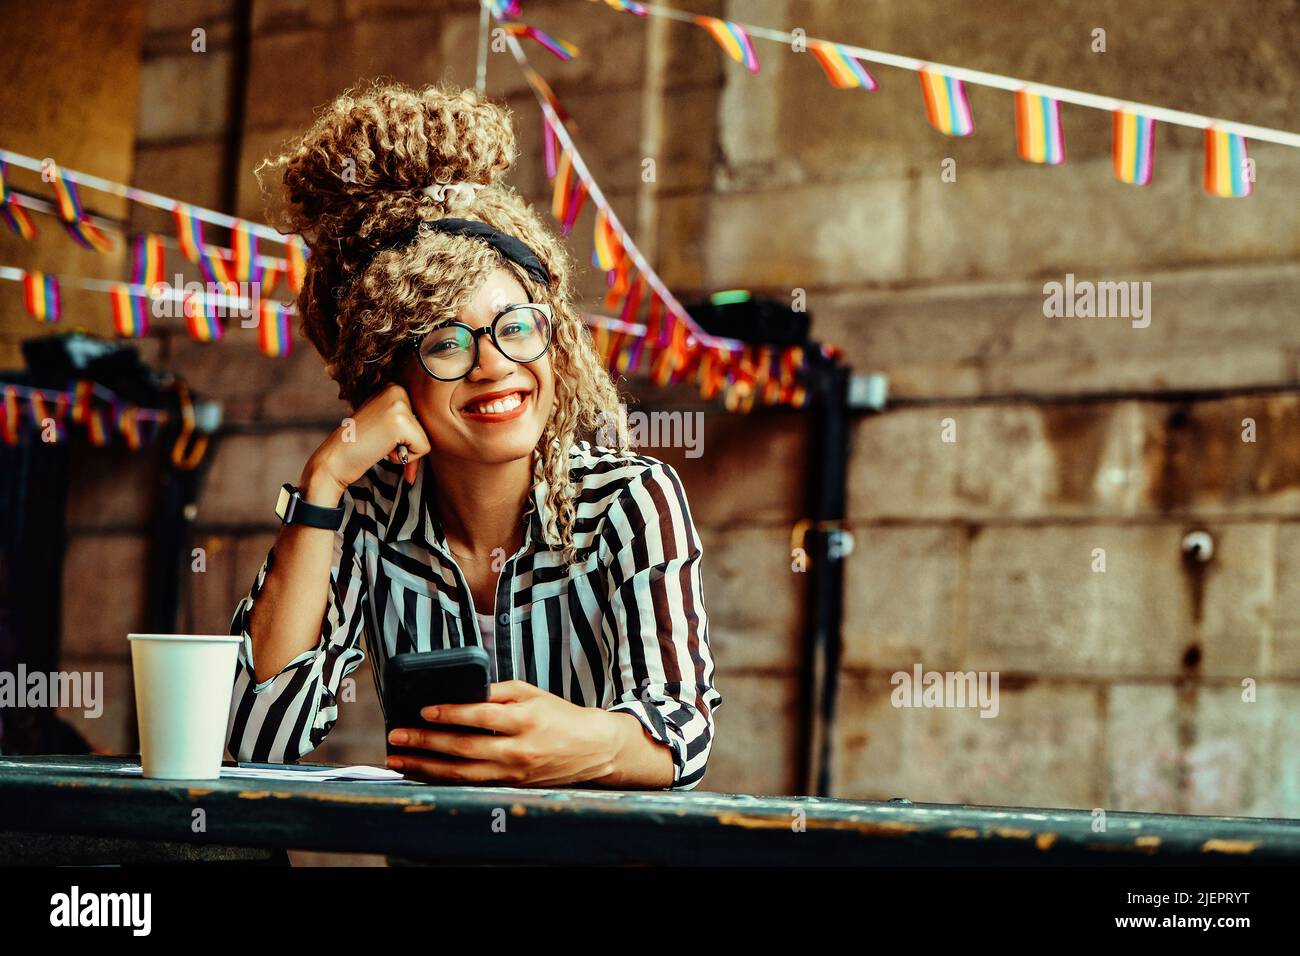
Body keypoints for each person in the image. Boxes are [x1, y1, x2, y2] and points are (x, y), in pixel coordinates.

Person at [224, 81, 721, 791]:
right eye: (447, 342)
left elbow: (684, 734)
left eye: (517, 328)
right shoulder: (362, 516)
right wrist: (325, 481)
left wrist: (584, 742)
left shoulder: (632, 500)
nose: (496, 366)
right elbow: (253, 736)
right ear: (387, 375)